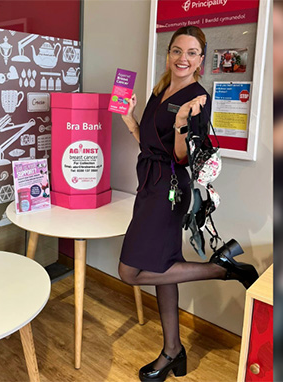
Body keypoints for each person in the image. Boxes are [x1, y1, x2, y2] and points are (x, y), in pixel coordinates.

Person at [117, 26, 259, 382]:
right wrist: (129, 119)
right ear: (169, 54)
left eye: (192, 52)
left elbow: (182, 158)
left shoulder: (198, 97)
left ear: (201, 59)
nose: (183, 58)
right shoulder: (160, 87)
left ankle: (223, 269)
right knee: (164, 267)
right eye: (177, 50)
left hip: (169, 188)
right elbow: (148, 141)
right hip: (149, 181)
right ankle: (173, 351)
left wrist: (182, 123)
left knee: (129, 272)